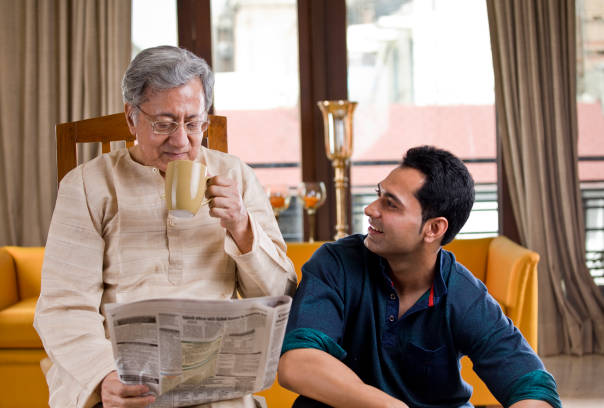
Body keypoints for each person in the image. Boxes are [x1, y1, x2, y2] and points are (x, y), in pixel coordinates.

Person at [34, 45, 296, 408]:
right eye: (164, 124)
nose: (181, 141)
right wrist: (104, 376)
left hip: (215, 376)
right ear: (131, 118)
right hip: (124, 375)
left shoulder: (235, 176)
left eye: (193, 124)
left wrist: (242, 226)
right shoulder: (87, 185)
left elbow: (278, 294)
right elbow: (63, 307)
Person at [278, 146, 561, 408]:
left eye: (391, 204)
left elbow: (533, 387)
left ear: (434, 229)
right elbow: (297, 363)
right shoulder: (335, 264)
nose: (370, 209)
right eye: (379, 194)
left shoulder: (464, 294)